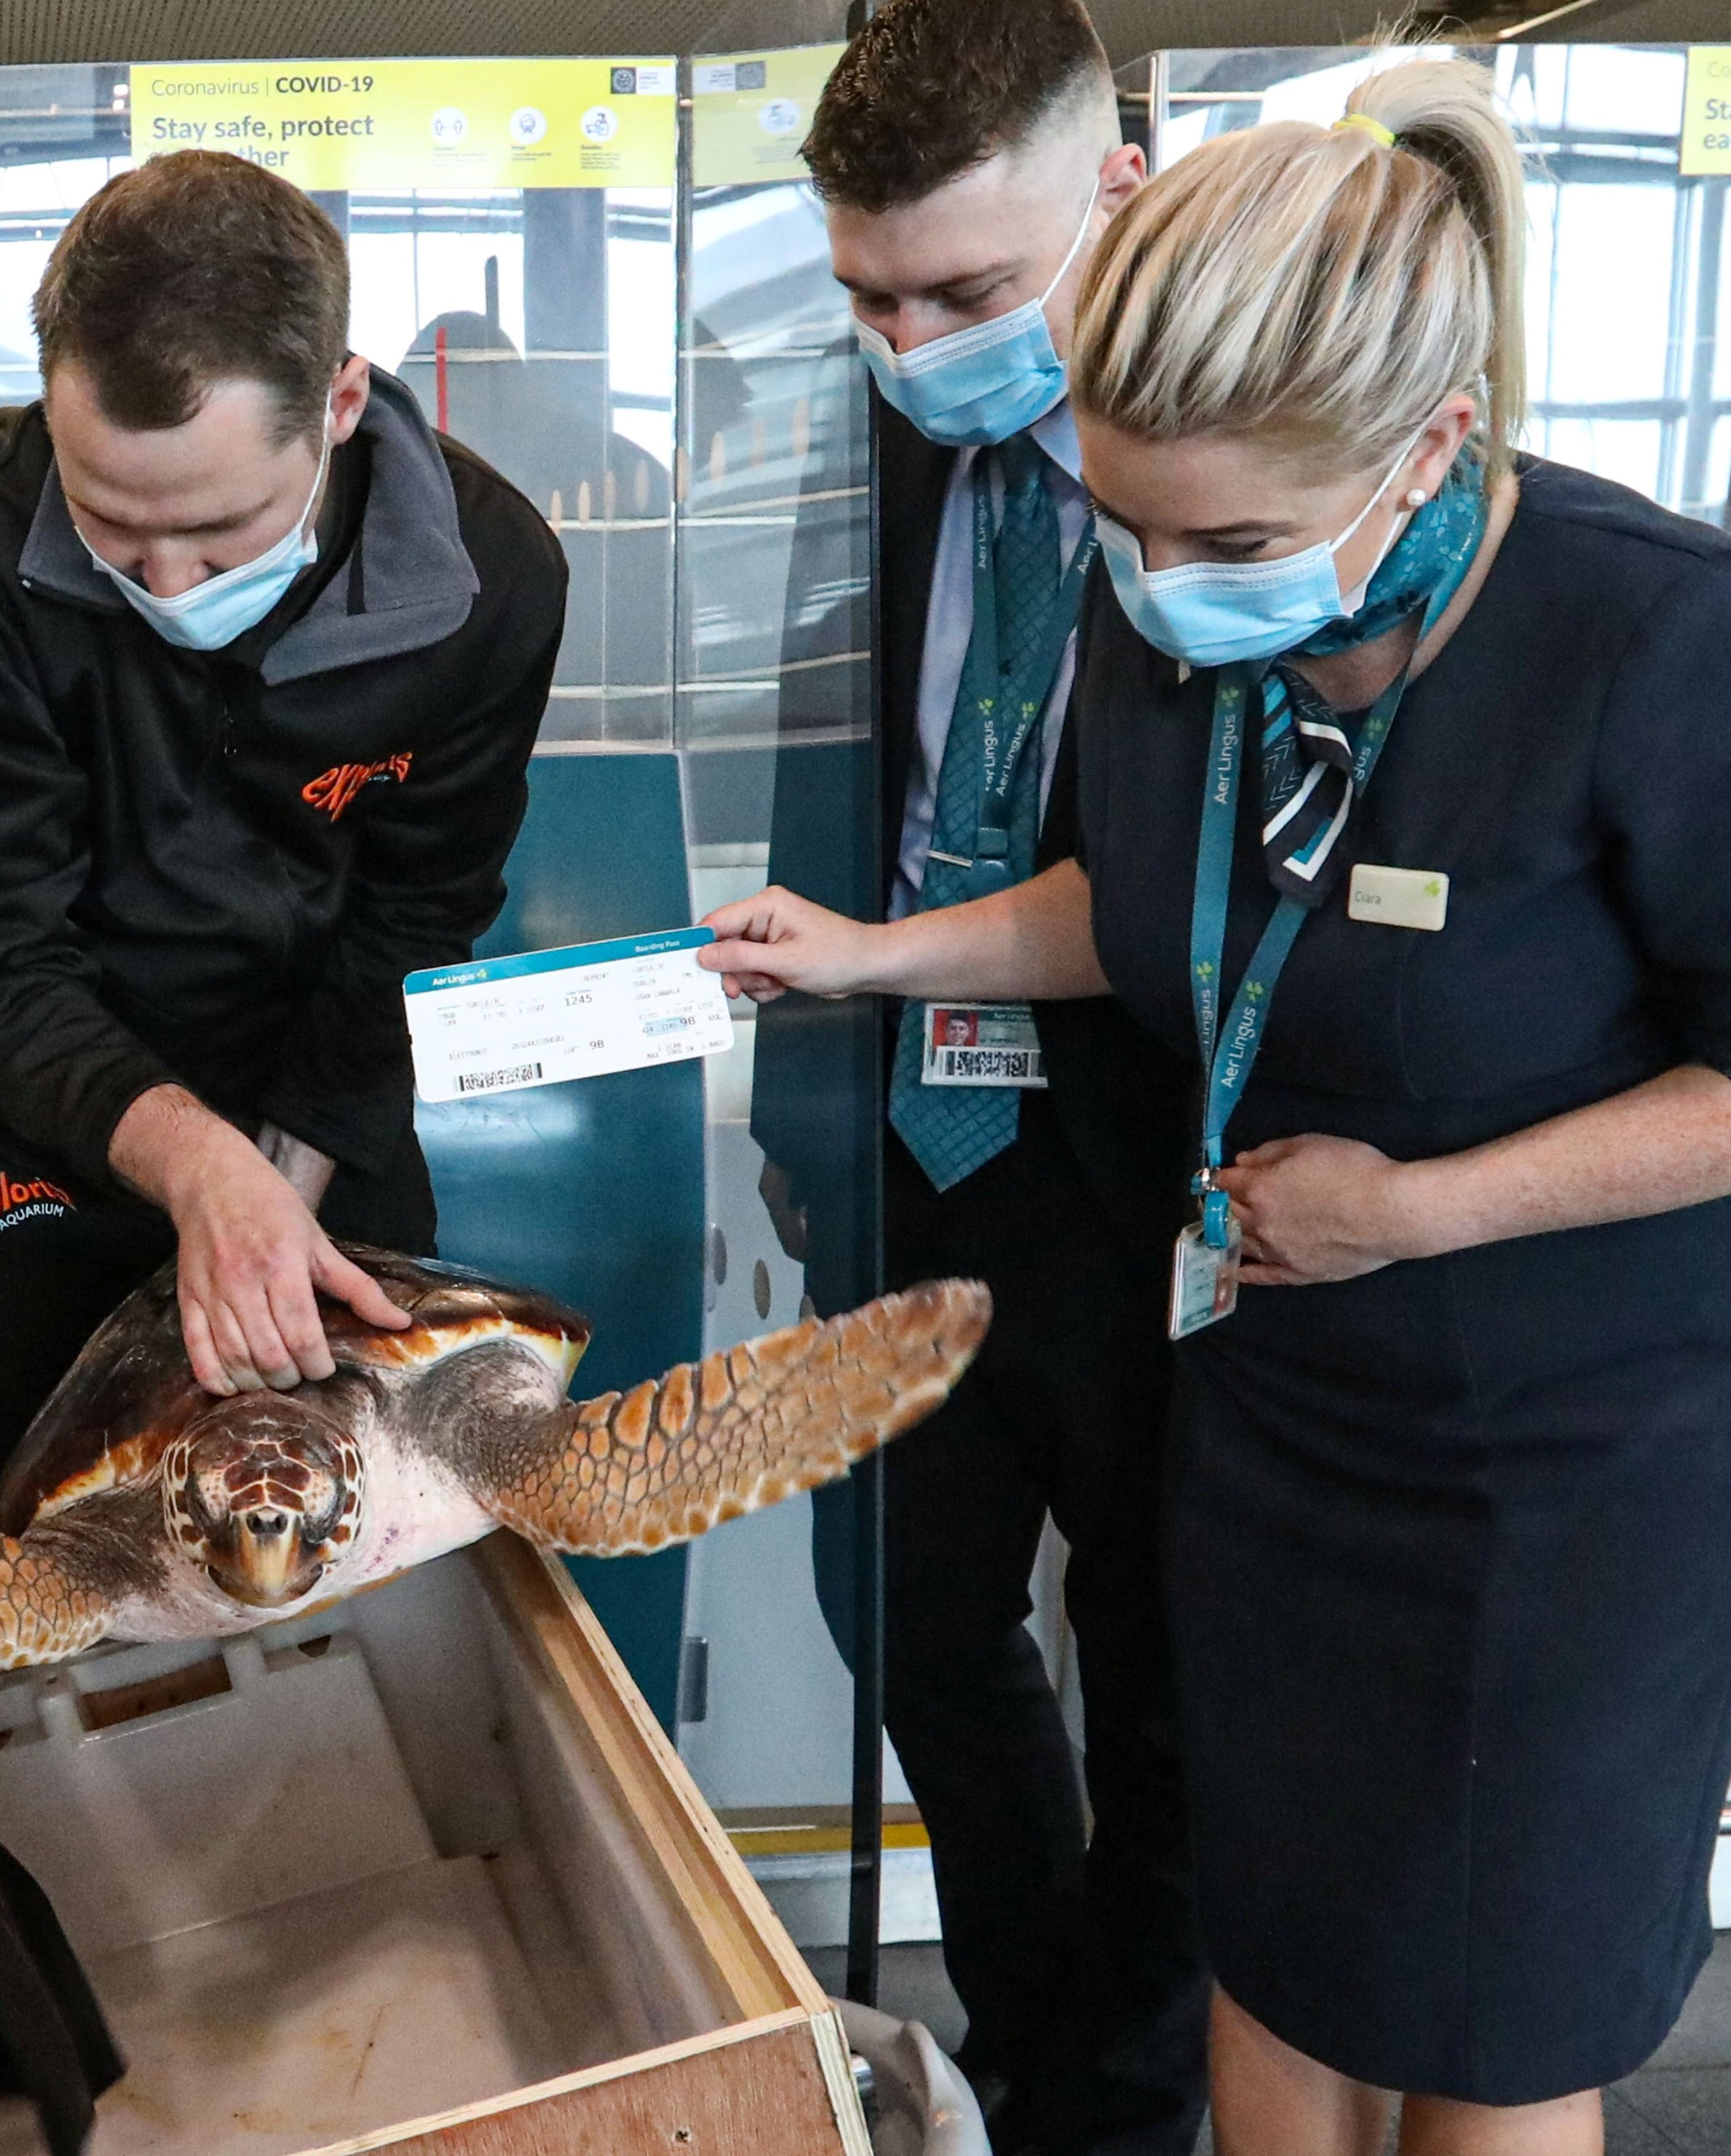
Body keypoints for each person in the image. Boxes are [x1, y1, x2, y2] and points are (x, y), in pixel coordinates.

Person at [706, 55, 1731, 2156]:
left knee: (1480, 2022)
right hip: (1273, 1427)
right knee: (1276, 1972)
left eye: (1228, 539)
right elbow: (1138, 899)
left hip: (1545, 1465)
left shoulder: (1647, 635)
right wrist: (871, 955)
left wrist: (1426, 1206)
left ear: (1426, 448)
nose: (1165, 590)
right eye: (1124, 527)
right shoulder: (1186, 612)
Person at [0, 150, 567, 1528]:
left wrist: (273, 1195)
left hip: (317, 1115)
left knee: (327, 1568)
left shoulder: (487, 579)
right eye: (113, 526)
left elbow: (414, 916)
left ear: (338, 404)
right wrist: (201, 1173)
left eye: (219, 537)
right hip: (8, 1145)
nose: (163, 584)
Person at [775, 6, 1205, 2148]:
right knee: (911, 1617)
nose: (910, 338)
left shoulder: (1232, 450)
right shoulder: (865, 435)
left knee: (1157, 1665)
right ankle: (1033, 2034)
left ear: (1113, 191)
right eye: (866, 292)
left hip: (1155, 1151)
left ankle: (1124, 2096)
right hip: (912, 1147)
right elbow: (823, 779)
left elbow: (1172, 879)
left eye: (964, 290)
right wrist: (801, 1124)